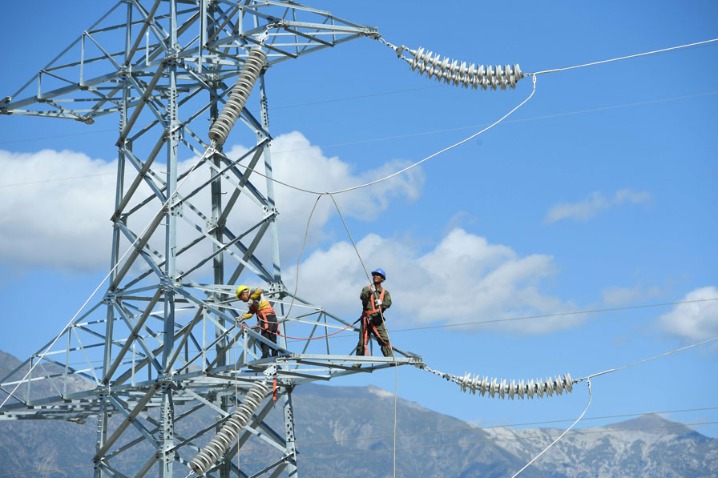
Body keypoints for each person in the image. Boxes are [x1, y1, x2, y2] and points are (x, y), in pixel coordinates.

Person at [355, 268, 393, 360]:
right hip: (366, 320)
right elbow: (362, 298)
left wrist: (382, 303)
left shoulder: (385, 293)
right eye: (374, 274)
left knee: (384, 340)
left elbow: (388, 303)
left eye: (378, 275)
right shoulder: (366, 289)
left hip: (378, 320)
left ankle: (390, 358)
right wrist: (369, 292)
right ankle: (358, 361)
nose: (375, 276)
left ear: (382, 279)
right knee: (362, 342)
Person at [236, 285, 279, 359]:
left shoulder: (253, 292)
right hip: (268, 319)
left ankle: (265, 357)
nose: (242, 300)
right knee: (271, 338)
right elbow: (250, 313)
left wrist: (252, 298)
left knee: (265, 338)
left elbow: (260, 289)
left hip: (268, 318)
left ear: (244, 293)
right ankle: (274, 356)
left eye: (241, 298)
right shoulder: (251, 303)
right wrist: (242, 317)